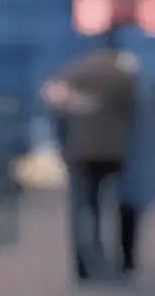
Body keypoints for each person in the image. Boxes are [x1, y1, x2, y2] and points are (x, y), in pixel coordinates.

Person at [43, 33, 140, 280]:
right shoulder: (123, 76)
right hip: (115, 151)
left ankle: (83, 264)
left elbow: (55, 104)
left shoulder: (76, 70)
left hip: (81, 151)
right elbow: (137, 114)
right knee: (115, 206)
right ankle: (116, 261)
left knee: (82, 209)